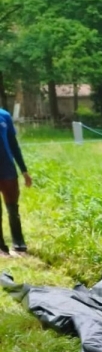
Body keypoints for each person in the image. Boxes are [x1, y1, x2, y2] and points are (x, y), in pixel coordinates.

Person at [0, 106, 32, 256]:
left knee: (13, 209)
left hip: (7, 169)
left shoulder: (4, 116)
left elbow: (13, 145)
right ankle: (1, 247)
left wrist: (24, 170)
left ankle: (19, 244)